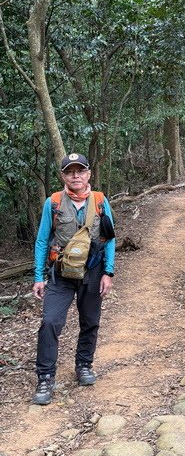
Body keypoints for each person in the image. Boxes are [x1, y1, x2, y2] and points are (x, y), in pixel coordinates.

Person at [32, 153, 115, 405]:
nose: (75, 176)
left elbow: (109, 238)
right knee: (50, 322)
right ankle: (45, 377)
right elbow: (42, 240)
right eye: (70, 172)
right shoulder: (54, 202)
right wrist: (38, 276)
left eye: (80, 171)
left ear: (88, 174)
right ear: (63, 176)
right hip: (60, 274)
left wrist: (108, 272)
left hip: (92, 270)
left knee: (90, 321)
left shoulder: (100, 201)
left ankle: (84, 365)